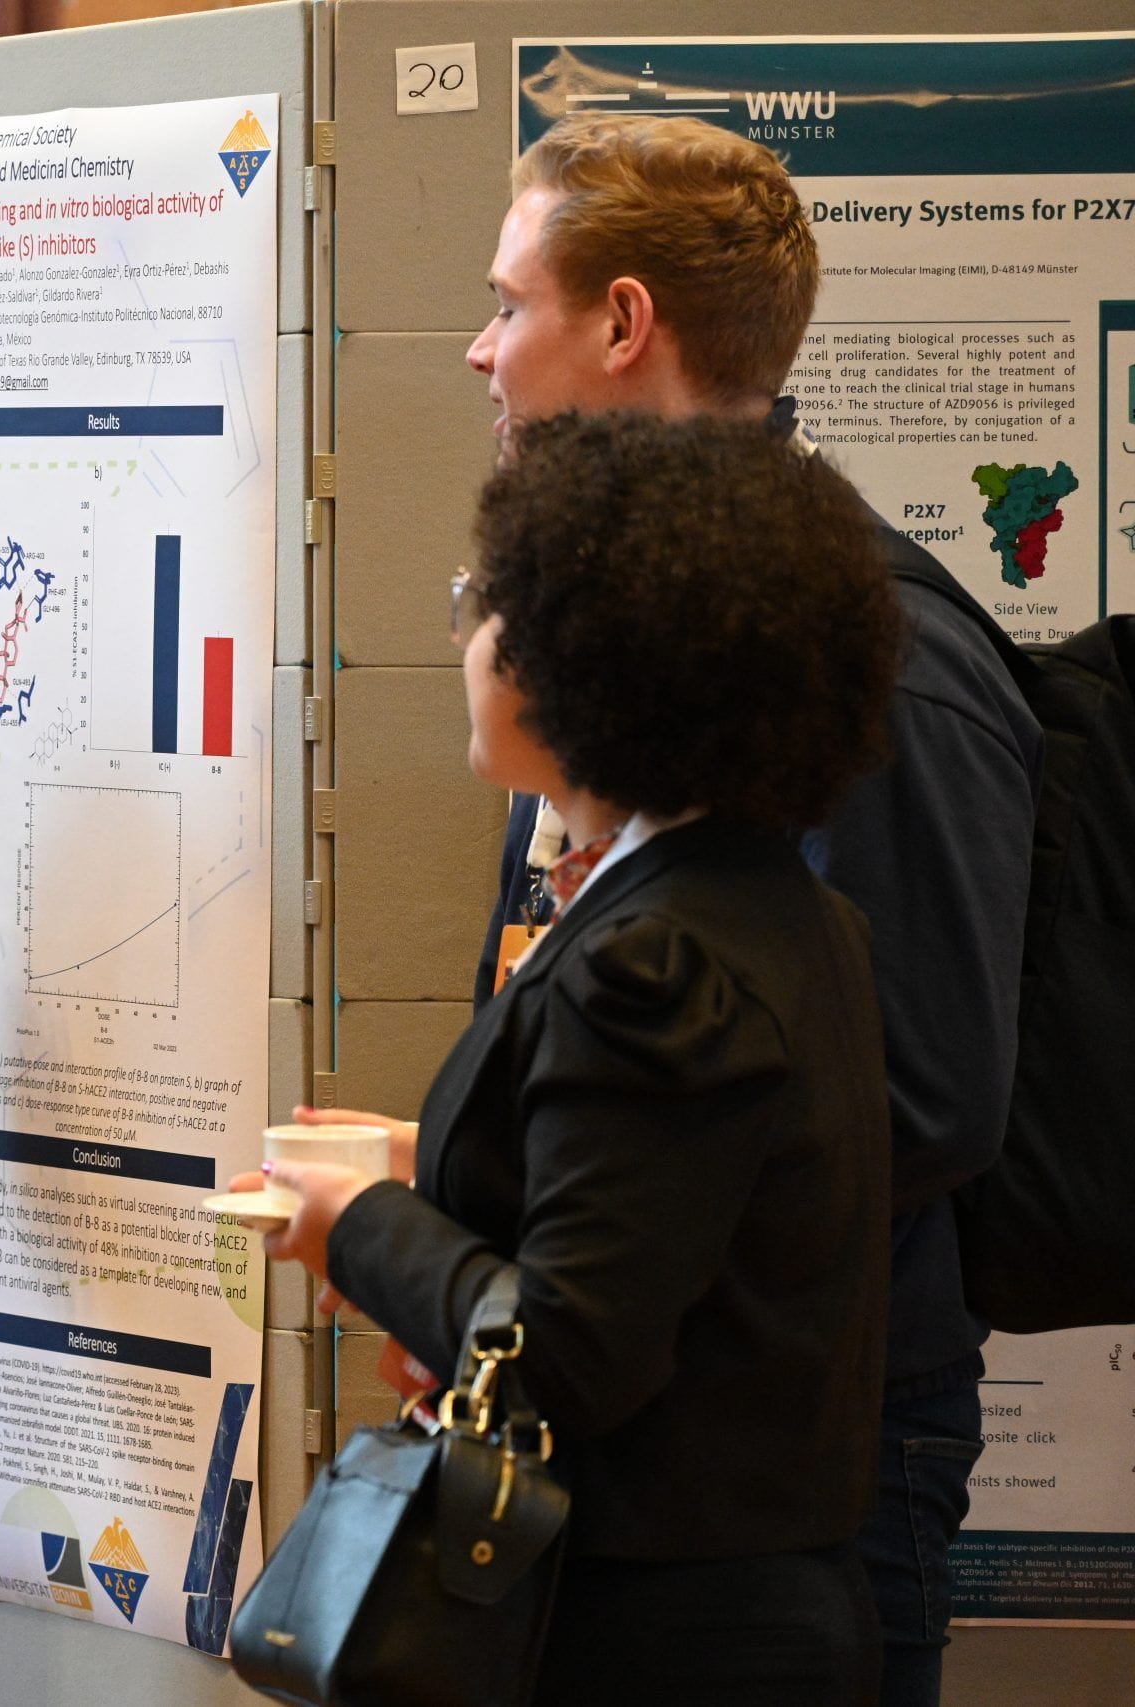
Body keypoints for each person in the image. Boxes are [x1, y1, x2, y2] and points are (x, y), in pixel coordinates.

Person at [301, 114, 1040, 1705]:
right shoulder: (623, 622)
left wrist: (537, 1273)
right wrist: (502, 1240)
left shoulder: (868, 654)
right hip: (620, 1445)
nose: (479, 351)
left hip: (760, 1466)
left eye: (508, 305)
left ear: (624, 322)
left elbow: (919, 1093)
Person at [250, 411, 905, 1702]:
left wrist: (355, 1224)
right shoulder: (768, 905)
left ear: (585, 659)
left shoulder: (653, 964)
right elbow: (679, 1223)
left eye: (482, 608)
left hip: (654, 1637)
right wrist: (432, 1163)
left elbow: (567, 1349)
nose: (466, 641)